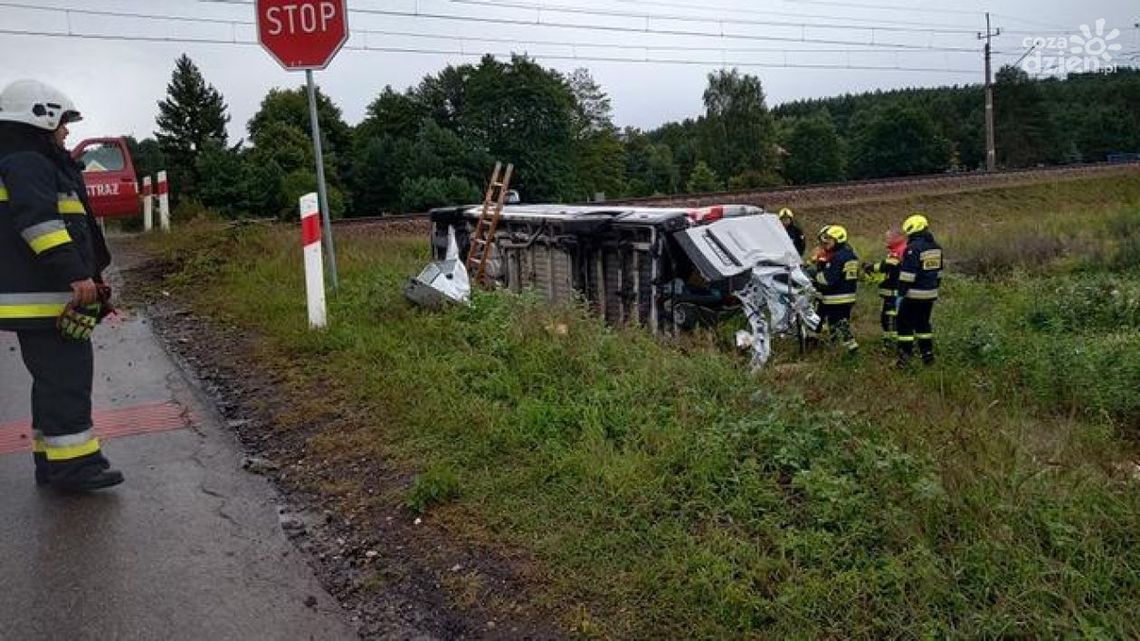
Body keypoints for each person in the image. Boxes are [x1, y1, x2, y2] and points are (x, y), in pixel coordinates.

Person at [0, 79, 123, 491]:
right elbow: (42, 225)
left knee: (52, 382)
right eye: (63, 124)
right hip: (45, 298)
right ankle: (76, 467)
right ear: (41, 117)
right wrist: (75, 273)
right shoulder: (29, 162)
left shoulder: (26, 160)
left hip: (40, 298)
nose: (67, 131)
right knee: (67, 381)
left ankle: (51, 462)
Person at [896, 213, 943, 366]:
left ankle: (905, 358)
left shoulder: (913, 248)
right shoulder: (936, 247)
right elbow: (939, 273)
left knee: (904, 324)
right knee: (923, 324)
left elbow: (907, 275)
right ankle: (927, 356)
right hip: (930, 293)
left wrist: (900, 294)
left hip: (914, 294)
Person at [812, 224, 860, 354]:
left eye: (830, 239)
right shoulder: (850, 255)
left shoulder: (837, 257)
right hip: (847, 297)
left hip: (835, 298)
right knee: (838, 323)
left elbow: (828, 280)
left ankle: (851, 348)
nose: (826, 242)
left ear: (838, 239)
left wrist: (814, 274)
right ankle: (837, 347)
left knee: (838, 324)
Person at [862, 228, 907, 349]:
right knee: (887, 319)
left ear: (898, 238)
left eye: (888, 238)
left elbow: (886, 265)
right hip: (892, 293)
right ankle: (890, 343)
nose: (885, 240)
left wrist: (870, 267)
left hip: (894, 293)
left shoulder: (899, 251)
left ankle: (892, 345)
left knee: (890, 320)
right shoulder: (897, 250)